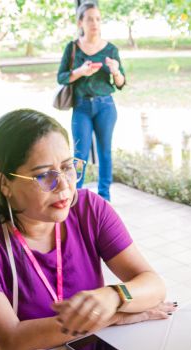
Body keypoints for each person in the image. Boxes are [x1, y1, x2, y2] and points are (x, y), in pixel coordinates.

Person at [0, 109, 175, 350]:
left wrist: (114, 296)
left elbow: (153, 285)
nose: (64, 186)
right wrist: (115, 315)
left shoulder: (89, 209)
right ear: (3, 183)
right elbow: (11, 342)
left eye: (67, 167)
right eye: (45, 175)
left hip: (85, 344)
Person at [56, 1, 125, 201]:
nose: (94, 23)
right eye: (89, 19)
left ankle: (104, 197)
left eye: (98, 19)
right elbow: (61, 77)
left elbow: (121, 82)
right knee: (79, 156)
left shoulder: (110, 49)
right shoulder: (72, 48)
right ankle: (74, 196)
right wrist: (80, 72)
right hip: (81, 106)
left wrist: (115, 71)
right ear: (80, 23)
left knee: (105, 152)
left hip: (106, 106)